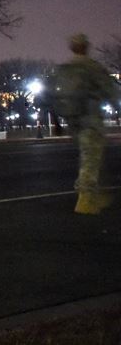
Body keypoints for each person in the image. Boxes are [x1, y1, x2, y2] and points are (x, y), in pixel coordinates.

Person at [56, 33, 119, 215]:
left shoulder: (65, 69)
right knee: (90, 158)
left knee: (88, 156)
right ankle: (86, 199)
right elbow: (110, 90)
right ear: (86, 46)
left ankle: (96, 194)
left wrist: (58, 121)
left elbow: (53, 95)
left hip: (73, 120)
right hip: (91, 120)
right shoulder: (92, 67)